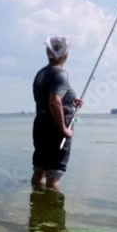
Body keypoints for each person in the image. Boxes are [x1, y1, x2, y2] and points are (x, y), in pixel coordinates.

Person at [31, 36, 82, 190]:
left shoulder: (41, 73)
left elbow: (50, 95)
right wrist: (63, 129)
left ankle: (36, 201)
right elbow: (54, 101)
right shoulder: (61, 74)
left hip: (40, 126)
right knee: (54, 175)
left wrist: (71, 100)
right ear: (65, 55)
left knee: (39, 169)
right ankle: (51, 205)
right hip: (55, 130)